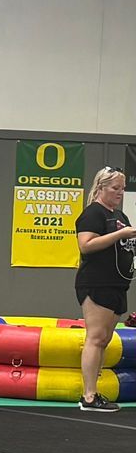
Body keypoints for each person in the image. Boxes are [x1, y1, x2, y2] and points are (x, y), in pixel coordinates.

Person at [74, 167, 133, 412]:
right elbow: (86, 245)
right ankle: (88, 396)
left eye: (122, 188)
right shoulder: (93, 214)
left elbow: (125, 246)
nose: (119, 193)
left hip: (117, 283)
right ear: (100, 188)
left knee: (105, 339)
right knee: (96, 338)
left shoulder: (119, 215)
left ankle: (94, 391)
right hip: (96, 282)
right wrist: (120, 234)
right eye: (114, 188)